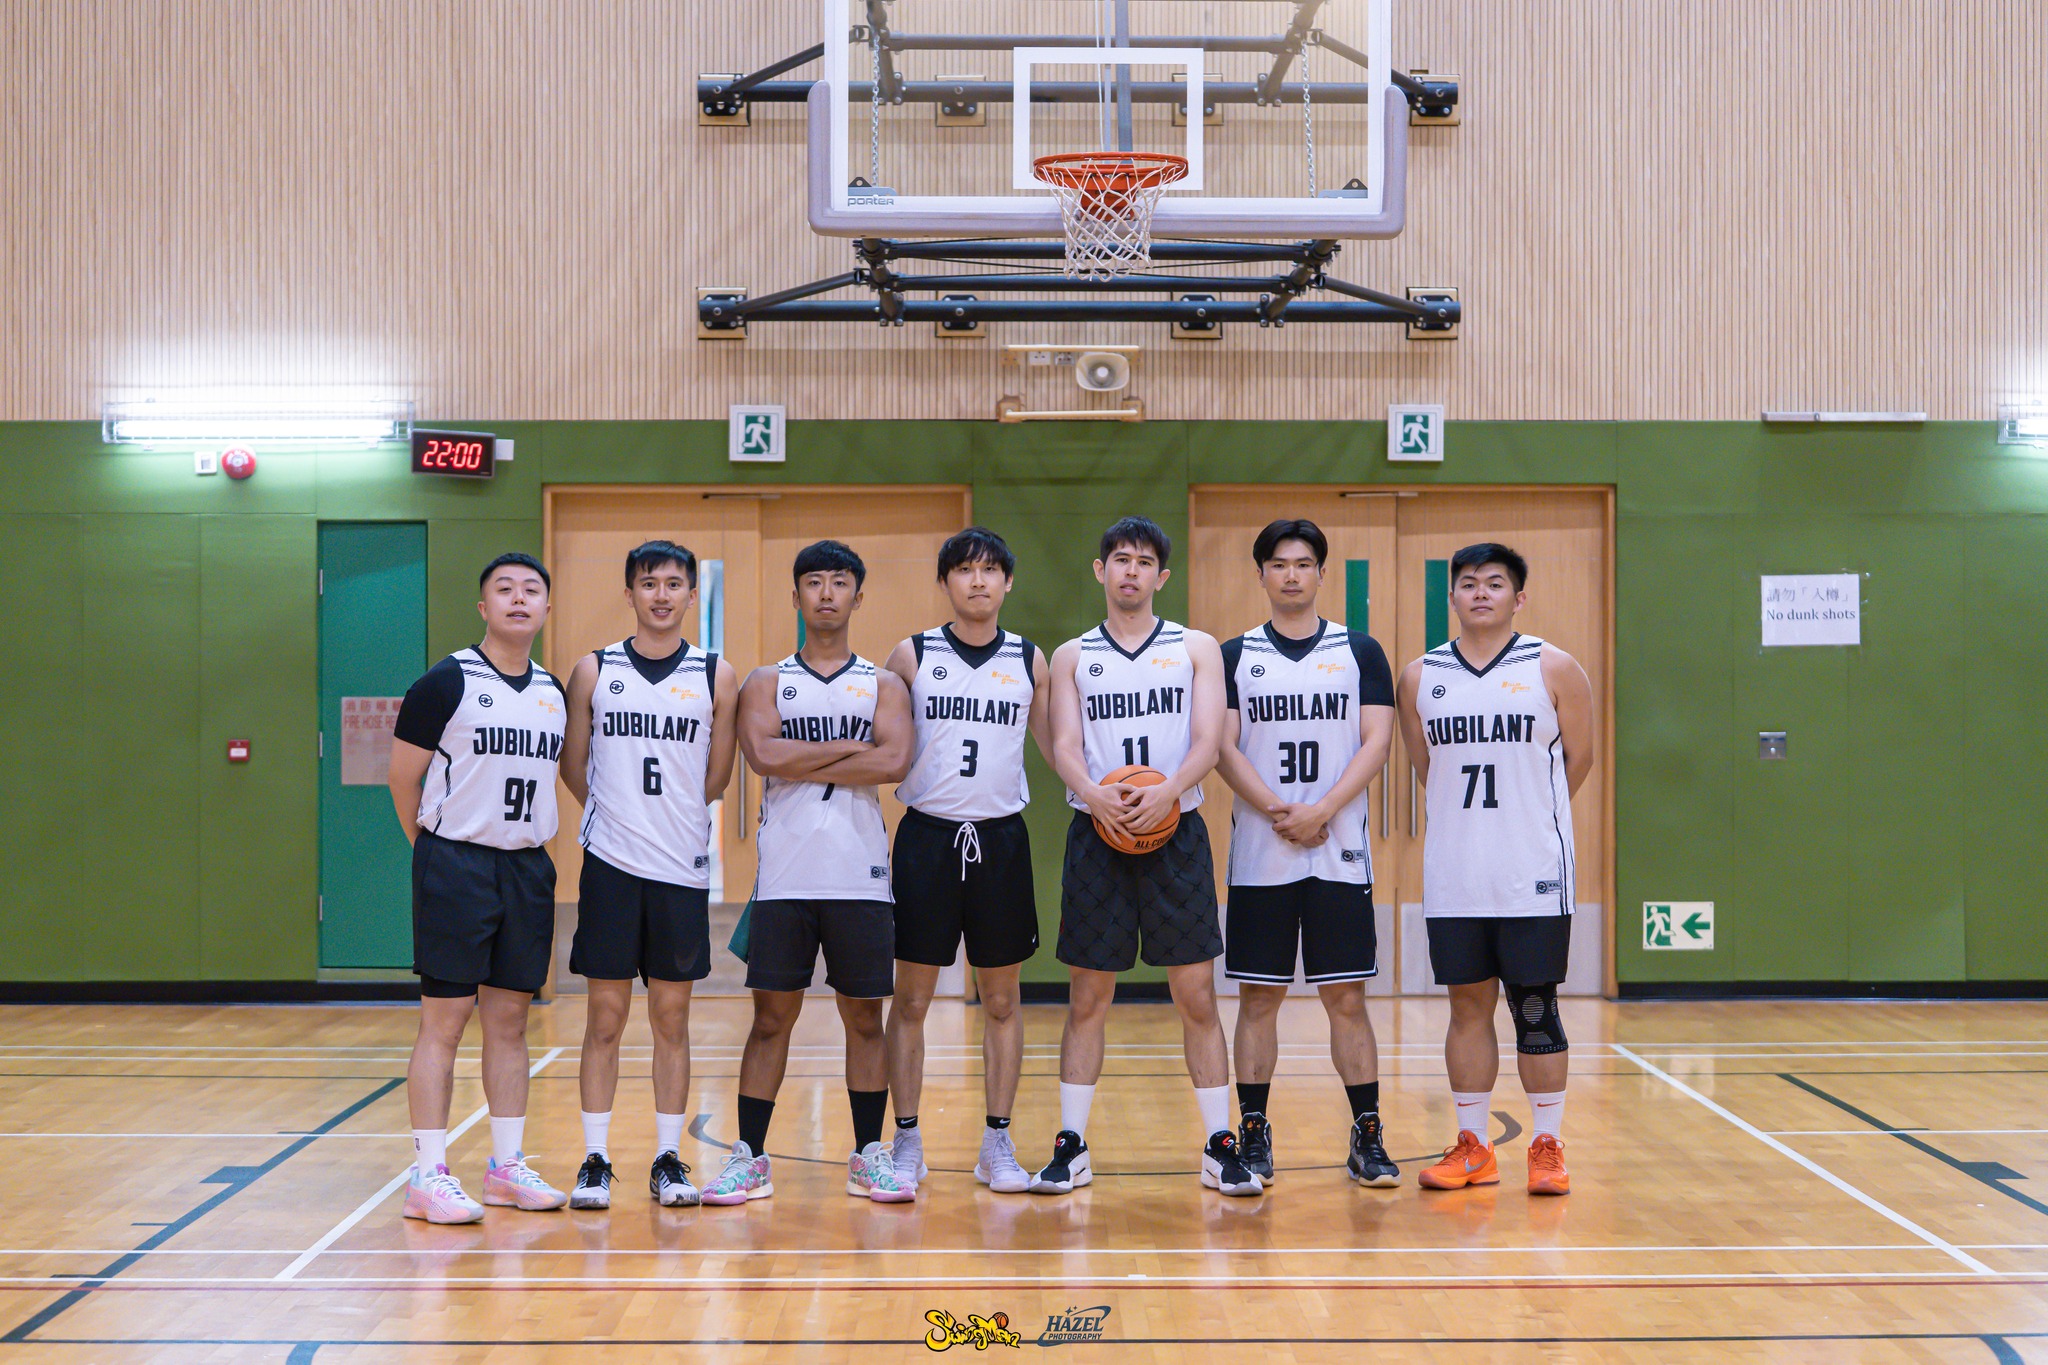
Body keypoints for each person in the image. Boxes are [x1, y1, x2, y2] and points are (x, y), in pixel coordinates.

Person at [1035, 515, 1260, 1198]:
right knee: (1087, 995)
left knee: (1196, 994)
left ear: (1161, 576)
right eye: (1119, 559)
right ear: (1099, 570)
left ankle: (1220, 1145)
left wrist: (1168, 790)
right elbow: (1064, 744)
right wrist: (1092, 795)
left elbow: (1209, 739)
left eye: (1142, 561)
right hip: (1096, 834)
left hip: (1177, 832)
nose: (1129, 570)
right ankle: (1071, 1145)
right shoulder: (1073, 655)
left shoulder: (1195, 648)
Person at [699, 540, 917, 1205]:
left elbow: (894, 762)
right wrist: (852, 747)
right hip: (785, 878)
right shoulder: (766, 681)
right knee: (771, 1018)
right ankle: (750, 1157)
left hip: (860, 875)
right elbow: (763, 755)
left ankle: (869, 1155)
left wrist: (803, 754)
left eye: (839, 582)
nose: (826, 592)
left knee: (865, 1018)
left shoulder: (883, 684)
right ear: (795, 596)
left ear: (858, 595)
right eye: (814, 582)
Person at [1396, 543, 1595, 1197]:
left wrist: (1529, 814)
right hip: (1455, 873)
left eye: (1495, 582)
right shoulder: (1419, 677)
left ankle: (1547, 1146)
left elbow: (1579, 760)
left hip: (1532, 871)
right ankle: (1474, 1145)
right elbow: (1427, 768)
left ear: (1519, 596)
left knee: (1535, 1007)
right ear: (1452, 596)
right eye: (1468, 583)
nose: (1480, 592)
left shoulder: (1554, 667)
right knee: (1466, 1007)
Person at [1214, 519, 1401, 1188]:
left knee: (1346, 998)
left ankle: (1367, 1132)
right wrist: (1279, 809)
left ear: (1322, 573)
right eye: (1278, 564)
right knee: (1258, 999)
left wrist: (1321, 810)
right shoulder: (1235, 655)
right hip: (1261, 855)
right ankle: (1254, 1130)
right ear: (1261, 574)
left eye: (1302, 563)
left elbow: (1377, 740)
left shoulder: (1361, 651)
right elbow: (1223, 746)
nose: (1291, 575)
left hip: (1338, 853)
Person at [387, 553, 569, 1223]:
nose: (520, 599)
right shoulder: (446, 681)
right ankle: (427, 1173)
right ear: (483, 607)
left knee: (511, 1021)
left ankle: (505, 1166)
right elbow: (401, 778)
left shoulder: (553, 691)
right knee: (445, 1019)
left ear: (546, 607)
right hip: (455, 862)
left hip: (525, 866)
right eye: (505, 589)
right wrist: (433, 854)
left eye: (531, 590)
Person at [558, 540, 738, 1210]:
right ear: (630, 591)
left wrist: (669, 820)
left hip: (680, 870)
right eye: (649, 582)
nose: (661, 594)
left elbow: (716, 776)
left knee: (671, 1017)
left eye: (673, 583)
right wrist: (619, 818)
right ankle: (595, 1159)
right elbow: (574, 765)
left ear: (691, 593)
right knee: (604, 1017)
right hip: (610, 867)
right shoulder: (594, 670)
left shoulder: (717, 675)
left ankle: (667, 1158)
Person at [882, 527, 1054, 1196]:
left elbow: (1060, 747)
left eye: (989, 570)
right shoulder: (912, 655)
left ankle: (997, 1143)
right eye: (963, 569)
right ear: (945, 581)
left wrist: (1109, 795)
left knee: (1003, 999)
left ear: (1008, 582)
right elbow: (882, 744)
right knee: (911, 998)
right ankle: (906, 1140)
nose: (977, 580)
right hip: (926, 839)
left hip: (1000, 841)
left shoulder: (1030, 659)